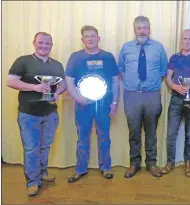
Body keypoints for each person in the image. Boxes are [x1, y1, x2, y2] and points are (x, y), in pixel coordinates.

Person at [7, 32, 66, 196]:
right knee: (31, 149)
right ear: (34, 43)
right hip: (28, 114)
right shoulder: (23, 61)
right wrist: (35, 88)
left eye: (47, 43)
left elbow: (62, 85)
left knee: (45, 146)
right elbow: (10, 81)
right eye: (41, 42)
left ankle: (42, 173)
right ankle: (32, 182)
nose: (44, 46)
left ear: (51, 45)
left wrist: (57, 93)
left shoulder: (57, 65)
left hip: (50, 113)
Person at [65, 25, 120, 183]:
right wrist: (78, 98)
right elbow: (69, 80)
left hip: (104, 105)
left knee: (104, 137)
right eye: (87, 36)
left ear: (98, 38)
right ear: (82, 40)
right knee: (82, 138)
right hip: (83, 105)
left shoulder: (108, 56)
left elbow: (116, 80)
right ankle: (80, 169)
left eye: (93, 36)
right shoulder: (75, 57)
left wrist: (115, 102)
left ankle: (106, 168)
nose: (90, 38)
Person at [118, 16, 168, 178]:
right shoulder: (126, 48)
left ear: (149, 29)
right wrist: (134, 83)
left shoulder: (158, 47)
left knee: (151, 131)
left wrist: (148, 84)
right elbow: (121, 70)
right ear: (134, 29)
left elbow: (162, 71)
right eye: (139, 28)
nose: (142, 31)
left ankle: (151, 163)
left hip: (152, 95)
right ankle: (134, 163)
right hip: (131, 95)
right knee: (134, 131)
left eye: (145, 27)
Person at [161, 29, 190, 178]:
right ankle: (170, 162)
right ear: (181, 40)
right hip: (176, 100)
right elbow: (168, 77)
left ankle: (188, 163)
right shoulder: (174, 57)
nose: (187, 41)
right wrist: (174, 86)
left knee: (189, 134)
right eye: (184, 39)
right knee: (171, 133)